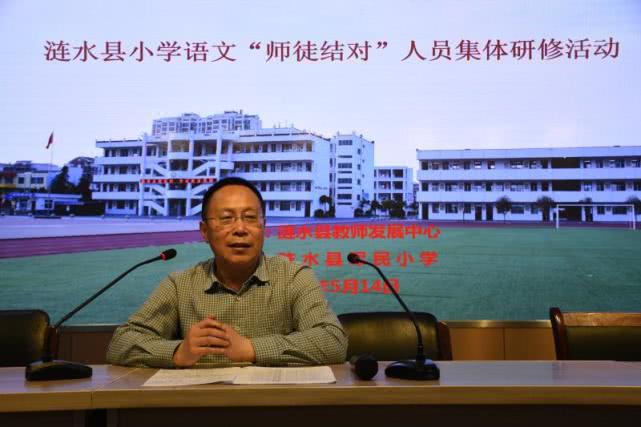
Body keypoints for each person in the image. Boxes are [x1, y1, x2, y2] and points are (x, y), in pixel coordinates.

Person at [107, 177, 347, 368]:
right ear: (204, 231)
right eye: (226, 219)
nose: (240, 229)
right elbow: (121, 343)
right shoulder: (180, 285)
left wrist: (251, 349)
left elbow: (333, 341)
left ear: (263, 226)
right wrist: (178, 352)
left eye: (250, 218)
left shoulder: (294, 277)